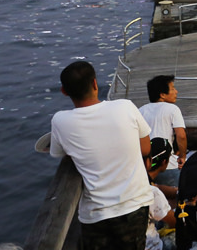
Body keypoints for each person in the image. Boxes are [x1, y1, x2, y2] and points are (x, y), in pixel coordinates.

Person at [50, 61, 153, 250]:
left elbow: (59, 153)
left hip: (96, 214)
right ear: (95, 84)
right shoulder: (126, 107)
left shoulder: (60, 121)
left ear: (64, 91)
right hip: (134, 205)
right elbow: (146, 148)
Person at [138, 75, 187, 187]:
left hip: (146, 167)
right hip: (168, 165)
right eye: (173, 88)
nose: (176, 92)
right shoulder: (173, 109)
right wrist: (182, 157)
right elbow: (181, 135)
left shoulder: (140, 110)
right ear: (162, 95)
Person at [143, 138, 177, 250]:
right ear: (164, 162)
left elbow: (158, 187)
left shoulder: (140, 181)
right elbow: (175, 222)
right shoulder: (152, 192)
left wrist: (177, 192)